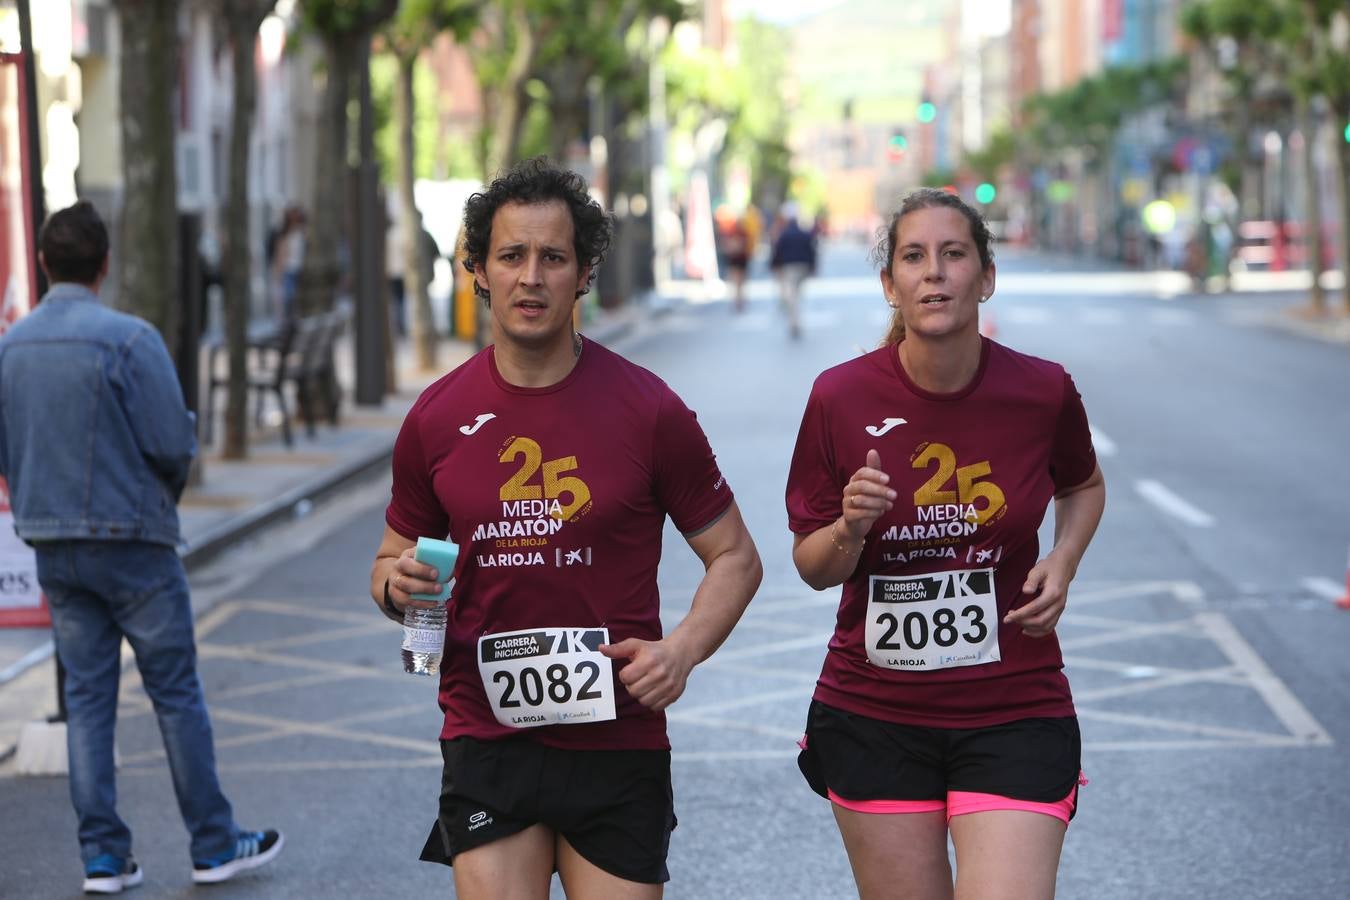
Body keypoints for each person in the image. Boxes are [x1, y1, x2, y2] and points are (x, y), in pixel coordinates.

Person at [369, 157, 762, 899]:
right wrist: (398, 585)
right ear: (479, 270)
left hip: (618, 741)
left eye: (553, 257)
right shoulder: (437, 417)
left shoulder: (649, 409)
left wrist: (681, 653)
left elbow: (736, 557)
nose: (531, 277)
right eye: (511, 256)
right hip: (487, 736)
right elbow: (394, 559)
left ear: (584, 273)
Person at [785, 188, 1105, 900]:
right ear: (890, 284)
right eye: (914, 256)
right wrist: (849, 528)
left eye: (954, 254)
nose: (934, 271)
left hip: (1015, 706)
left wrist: (1064, 560)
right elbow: (812, 566)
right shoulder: (839, 398)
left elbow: (1083, 484)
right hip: (875, 713)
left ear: (985, 277)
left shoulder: (1042, 389)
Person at [0, 202, 283, 894]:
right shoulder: (129, 339)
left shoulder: (11, 347)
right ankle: (213, 844)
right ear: (105, 264)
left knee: (88, 699)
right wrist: (160, 499)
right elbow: (173, 443)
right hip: (133, 541)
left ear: (43, 263)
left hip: (53, 543)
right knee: (175, 694)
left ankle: (103, 857)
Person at [769, 202, 818, 339]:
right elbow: (812, 251)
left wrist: (774, 266)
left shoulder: (784, 235)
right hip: (803, 268)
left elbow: (777, 252)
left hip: (790, 268)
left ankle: (794, 322)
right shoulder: (804, 234)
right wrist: (813, 266)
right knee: (795, 295)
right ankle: (794, 320)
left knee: (792, 296)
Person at [268, 204, 306, 320]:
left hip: (297, 269)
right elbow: (280, 253)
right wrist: (278, 270)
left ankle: (291, 320)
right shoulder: (284, 234)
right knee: (287, 297)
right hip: (287, 269)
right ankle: (286, 321)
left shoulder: (300, 232)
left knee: (293, 297)